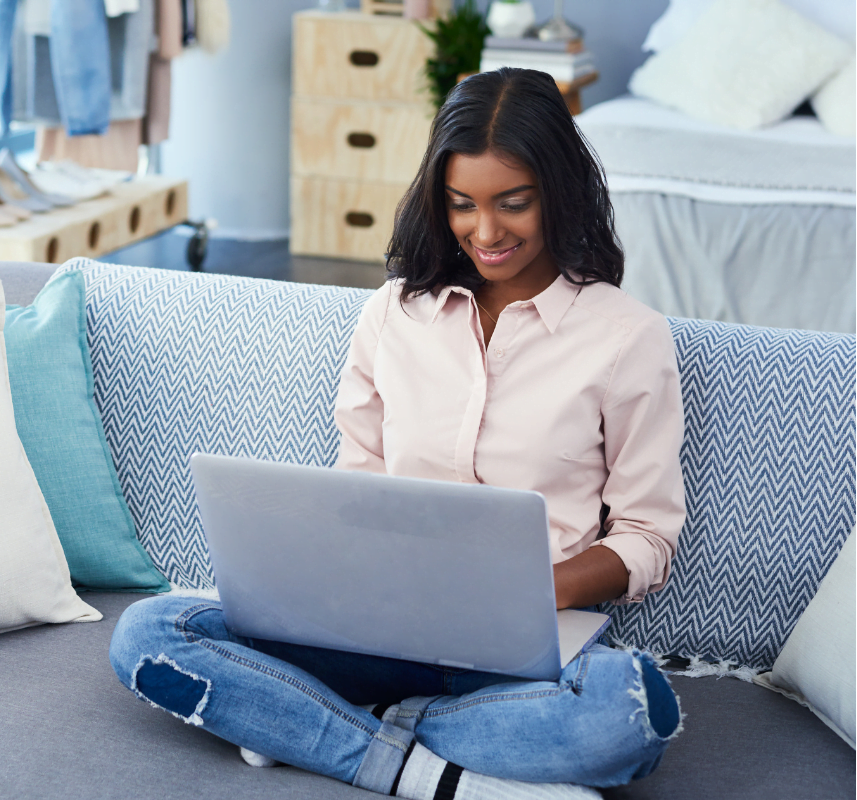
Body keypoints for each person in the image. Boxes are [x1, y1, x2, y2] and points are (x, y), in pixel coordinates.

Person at [108, 68, 685, 798]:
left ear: (558, 192)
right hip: (372, 629)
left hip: (524, 654)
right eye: (461, 205)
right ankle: (426, 767)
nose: (485, 232)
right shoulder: (392, 314)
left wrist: (526, 593)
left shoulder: (627, 337)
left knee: (630, 713)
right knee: (148, 633)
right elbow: (360, 485)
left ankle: (314, 728)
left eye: (514, 203)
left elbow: (647, 536)